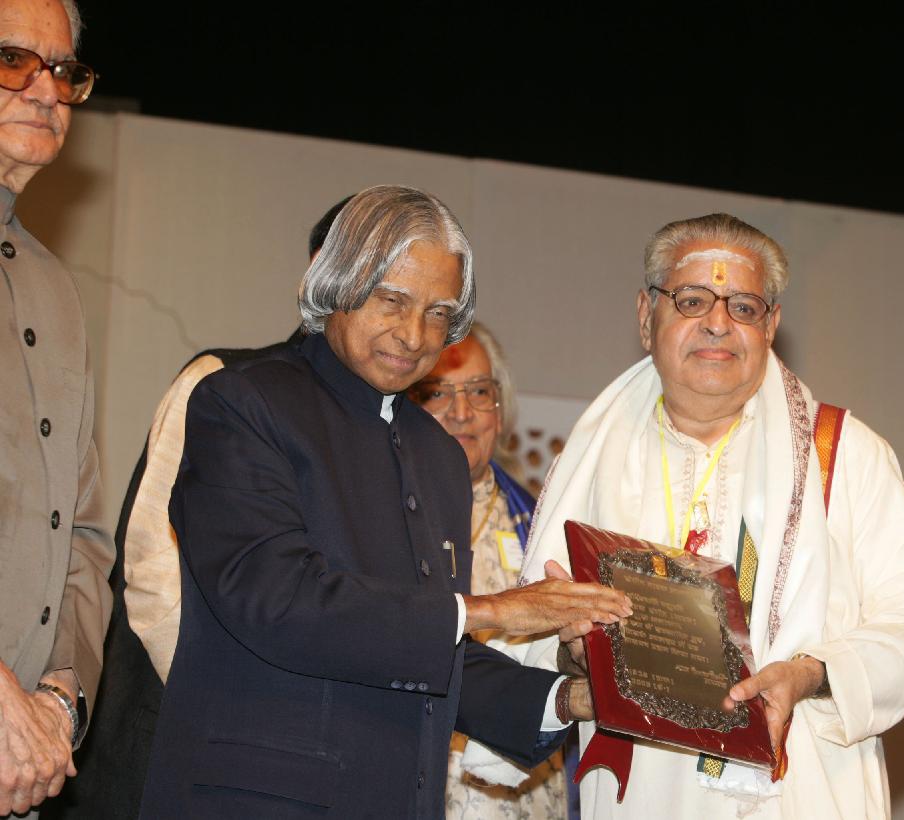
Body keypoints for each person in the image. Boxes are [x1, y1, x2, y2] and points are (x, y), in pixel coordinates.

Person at [139, 185, 632, 818]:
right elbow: (275, 598)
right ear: (337, 284)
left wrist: (569, 700)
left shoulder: (438, 455)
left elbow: (424, 646)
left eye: (438, 312)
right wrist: (492, 609)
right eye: (393, 300)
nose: (413, 334)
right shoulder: (242, 402)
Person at [468, 213, 904, 819]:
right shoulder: (591, 465)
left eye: (744, 307)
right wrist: (577, 653)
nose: (718, 323)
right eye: (692, 300)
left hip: (796, 789)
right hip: (639, 795)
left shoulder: (843, 454)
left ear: (771, 325)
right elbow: (537, 654)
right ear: (646, 316)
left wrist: (810, 674)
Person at [44, 196, 353, 820]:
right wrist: (237, 712)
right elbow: (150, 572)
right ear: (319, 274)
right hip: (183, 734)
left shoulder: (396, 436)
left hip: (307, 762)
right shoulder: (224, 382)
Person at [0, 1, 111, 816]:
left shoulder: (55, 291)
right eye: (13, 61)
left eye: (65, 72)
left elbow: (83, 533)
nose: (47, 90)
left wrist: (59, 704)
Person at [410, 323, 568, 820]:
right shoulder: (386, 517)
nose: (462, 412)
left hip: (524, 787)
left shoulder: (545, 522)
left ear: (500, 408)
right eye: (438, 393)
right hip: (419, 776)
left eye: (479, 391)